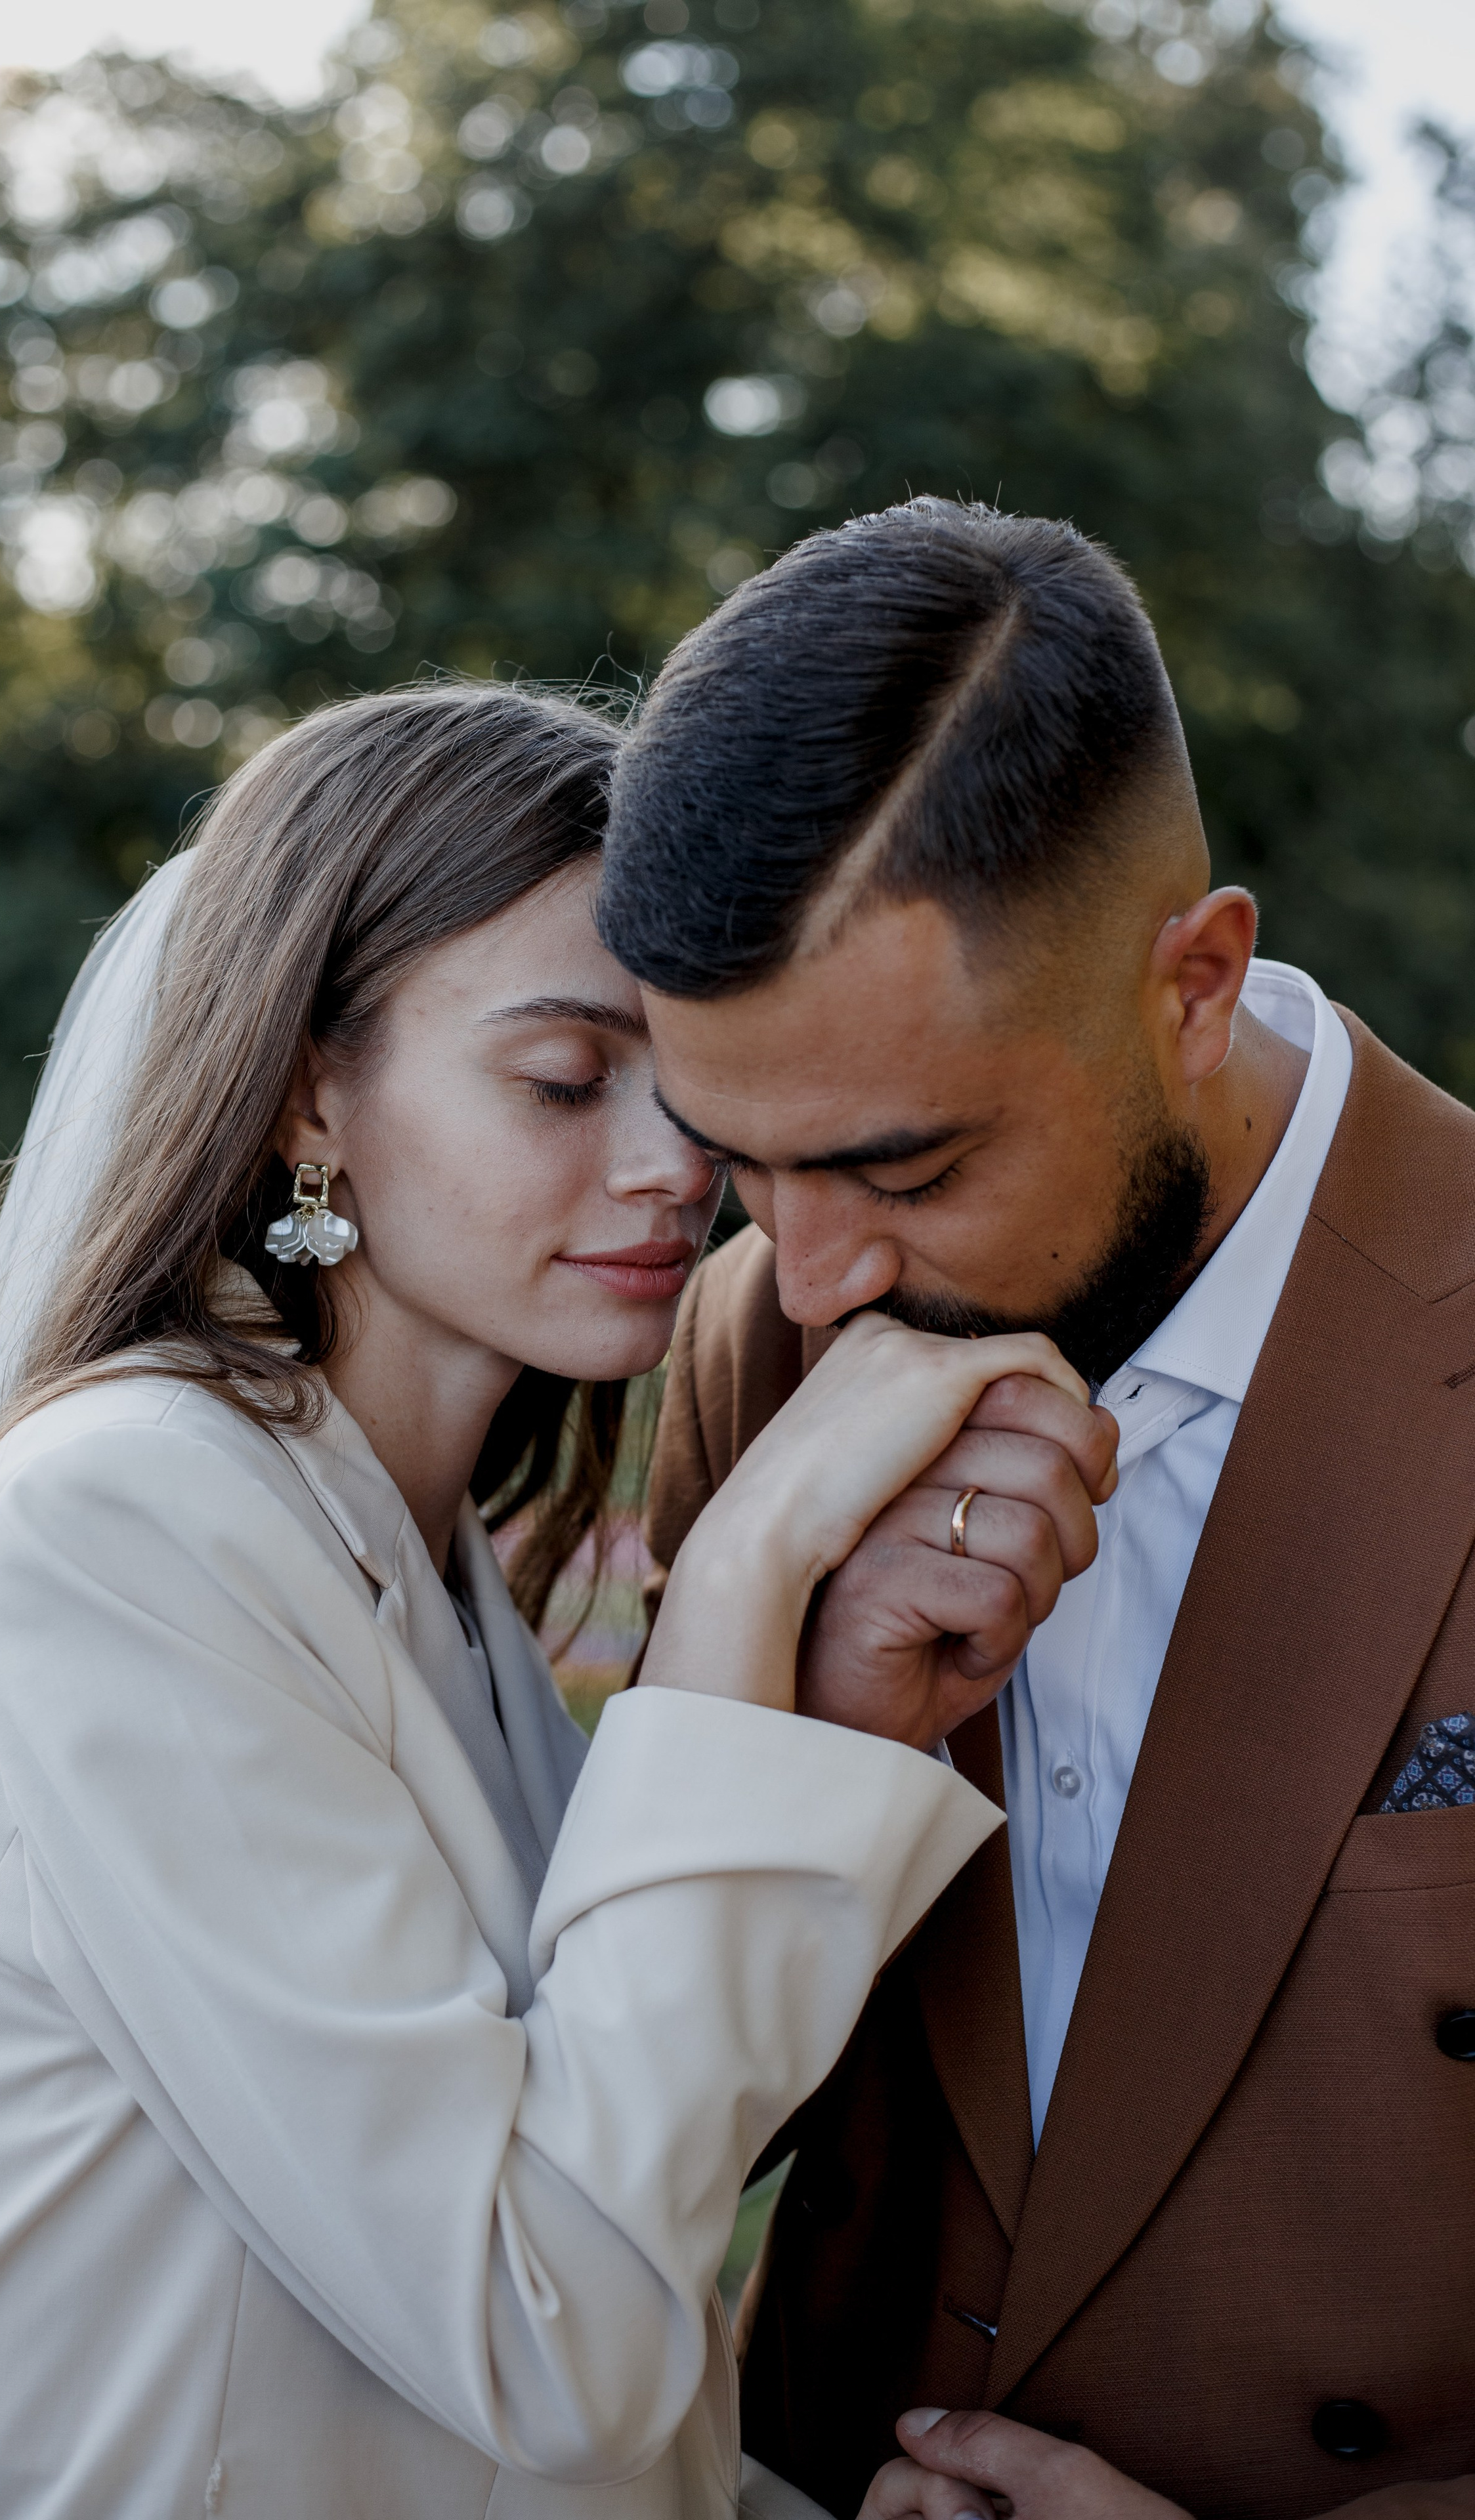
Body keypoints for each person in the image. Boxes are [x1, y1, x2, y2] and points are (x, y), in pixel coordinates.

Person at [0, 682, 1112, 2520]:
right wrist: (742, 1577)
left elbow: (589, 2199)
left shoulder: (424, 1565)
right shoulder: (130, 1522)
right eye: (566, 1078)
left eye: (692, 1085)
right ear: (306, 1098)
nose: (673, 1170)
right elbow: (541, 2341)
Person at [598, 501, 1475, 2520]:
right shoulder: (762, 1346)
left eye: (901, 1171)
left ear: (1196, 983)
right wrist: (796, 1735)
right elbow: (675, 2128)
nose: (806, 1275)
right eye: (742, 1160)